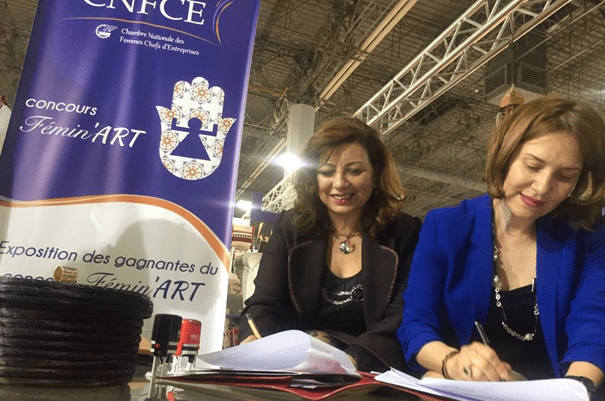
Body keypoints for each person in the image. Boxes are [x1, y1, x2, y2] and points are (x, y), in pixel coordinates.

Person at [398, 96, 605, 397]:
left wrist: (575, 390)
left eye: (564, 177)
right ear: (506, 154)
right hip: (471, 389)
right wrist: (452, 361)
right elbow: (416, 324)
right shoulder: (445, 226)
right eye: (533, 166)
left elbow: (593, 327)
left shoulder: (588, 236)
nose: (542, 187)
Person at [238, 117, 422, 372]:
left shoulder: (406, 232)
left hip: (370, 371)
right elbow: (264, 304)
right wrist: (256, 339)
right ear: (313, 178)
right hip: (296, 367)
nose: (339, 182)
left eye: (354, 171)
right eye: (327, 172)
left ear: (376, 175)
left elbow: (401, 317)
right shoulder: (289, 227)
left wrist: (349, 362)